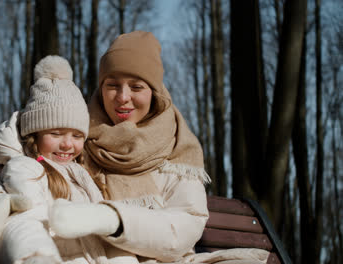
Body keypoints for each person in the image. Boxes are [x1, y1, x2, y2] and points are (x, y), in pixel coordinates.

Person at [48, 31, 270, 264]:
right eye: (112, 85)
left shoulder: (177, 147)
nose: (123, 97)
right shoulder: (74, 136)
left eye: (136, 87)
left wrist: (115, 220)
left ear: (153, 92)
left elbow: (185, 225)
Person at [0, 55, 135, 264]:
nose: (67, 144)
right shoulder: (22, 167)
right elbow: (27, 219)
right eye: (56, 134)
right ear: (34, 134)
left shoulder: (82, 174)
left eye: (77, 136)